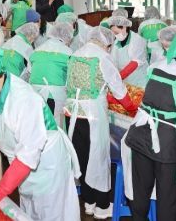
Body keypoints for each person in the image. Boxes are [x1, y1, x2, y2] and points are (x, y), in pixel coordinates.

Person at [0, 48, 80, 220]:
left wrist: (1, 190)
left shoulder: (24, 100)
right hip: (20, 164)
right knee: (29, 210)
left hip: (47, 163)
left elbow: (29, 153)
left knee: (51, 212)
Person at [125, 30, 176, 220]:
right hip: (168, 142)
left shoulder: (157, 66)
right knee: (167, 198)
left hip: (141, 133)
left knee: (140, 190)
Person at [66, 26, 137, 218]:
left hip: (73, 113)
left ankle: (88, 202)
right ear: (107, 44)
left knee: (81, 158)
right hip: (93, 115)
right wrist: (132, 109)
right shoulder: (103, 58)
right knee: (98, 160)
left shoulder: (75, 54)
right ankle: (102, 205)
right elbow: (119, 89)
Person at [29, 22, 74, 128]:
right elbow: (71, 78)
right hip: (55, 96)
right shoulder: (68, 52)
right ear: (67, 37)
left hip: (35, 94)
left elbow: (30, 71)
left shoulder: (37, 50)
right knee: (55, 127)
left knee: (38, 125)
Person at [108, 14, 150, 88]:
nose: (115, 35)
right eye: (113, 33)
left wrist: (118, 77)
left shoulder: (137, 40)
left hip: (139, 80)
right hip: (125, 80)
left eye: (116, 33)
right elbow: (113, 61)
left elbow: (135, 63)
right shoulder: (116, 42)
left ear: (124, 27)